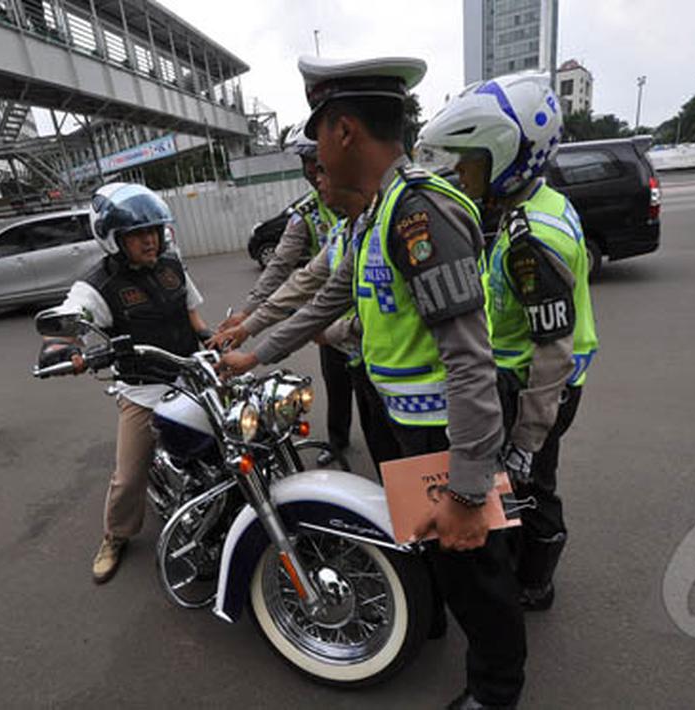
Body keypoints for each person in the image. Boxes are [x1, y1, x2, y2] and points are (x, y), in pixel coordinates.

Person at [217, 56, 526, 710]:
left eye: (319, 134)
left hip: (445, 429)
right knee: (427, 543)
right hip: (402, 419)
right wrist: (252, 355)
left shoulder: (419, 213)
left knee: (475, 562)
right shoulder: (374, 215)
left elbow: (470, 360)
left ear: (344, 130)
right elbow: (325, 300)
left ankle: (496, 691)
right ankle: (433, 615)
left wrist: (468, 487)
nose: (317, 157)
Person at [415, 71, 599, 612]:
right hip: (528, 378)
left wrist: (526, 439)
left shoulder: (531, 241)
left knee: (533, 488)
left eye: (470, 160)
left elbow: (553, 353)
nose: (459, 171)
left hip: (536, 387)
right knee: (527, 486)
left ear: (507, 158)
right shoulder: (537, 204)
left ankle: (535, 583)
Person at [36, 182, 211, 585]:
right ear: (114, 239)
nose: (150, 240)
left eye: (154, 231)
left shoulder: (172, 265)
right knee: (129, 476)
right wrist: (61, 347)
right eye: (138, 234)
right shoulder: (97, 285)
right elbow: (71, 317)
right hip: (144, 391)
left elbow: (192, 316)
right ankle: (116, 535)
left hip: (189, 376)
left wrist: (214, 338)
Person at [207, 169, 402, 470]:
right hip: (364, 358)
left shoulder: (391, 223)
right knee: (385, 456)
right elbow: (304, 287)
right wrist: (247, 329)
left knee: (415, 470)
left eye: (324, 168)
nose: (316, 178)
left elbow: (390, 314)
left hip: (411, 387)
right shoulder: (347, 234)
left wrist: (332, 331)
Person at [215, 123, 352, 465]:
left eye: (319, 164)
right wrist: (247, 319)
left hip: (365, 333)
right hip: (328, 318)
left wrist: (252, 349)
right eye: (307, 165)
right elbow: (291, 274)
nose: (313, 174)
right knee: (339, 386)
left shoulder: (375, 215)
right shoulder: (321, 220)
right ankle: (338, 443)